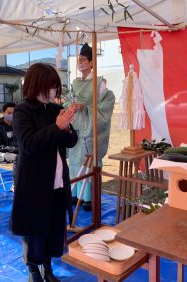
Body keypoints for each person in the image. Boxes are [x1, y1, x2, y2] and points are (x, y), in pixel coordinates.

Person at [10, 63, 78, 282]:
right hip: (34, 182)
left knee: (53, 228)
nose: (53, 92)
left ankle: (48, 269)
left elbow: (71, 141)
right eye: (49, 87)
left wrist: (67, 129)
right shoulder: (23, 111)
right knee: (35, 230)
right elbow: (28, 144)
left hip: (57, 180)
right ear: (36, 85)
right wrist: (56, 128)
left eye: (55, 88)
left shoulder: (55, 110)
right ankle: (33, 270)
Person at [64, 43, 115, 211]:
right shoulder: (75, 82)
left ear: (92, 62)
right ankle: (74, 193)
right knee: (75, 162)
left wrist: (85, 108)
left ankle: (88, 198)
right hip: (76, 126)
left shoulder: (99, 83)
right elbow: (67, 101)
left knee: (88, 162)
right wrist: (70, 105)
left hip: (90, 130)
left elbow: (107, 104)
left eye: (84, 59)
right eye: (79, 59)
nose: (81, 62)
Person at [0, 102, 18, 185]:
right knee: (18, 158)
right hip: (1, 154)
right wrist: (14, 149)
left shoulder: (17, 125)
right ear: (3, 113)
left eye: (13, 113)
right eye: (9, 113)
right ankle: (16, 185)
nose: (11, 115)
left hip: (17, 150)